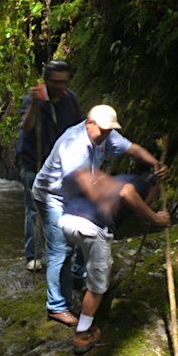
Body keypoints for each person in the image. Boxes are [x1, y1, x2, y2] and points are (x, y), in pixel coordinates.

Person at [32, 103, 168, 325]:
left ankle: (77, 279)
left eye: (108, 131)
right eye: (102, 130)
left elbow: (132, 148)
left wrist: (155, 163)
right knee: (61, 249)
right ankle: (56, 306)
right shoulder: (73, 145)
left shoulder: (105, 135)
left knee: (77, 236)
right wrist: (125, 196)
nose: (105, 135)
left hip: (74, 194)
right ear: (89, 123)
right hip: (52, 196)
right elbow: (91, 186)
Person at [60, 166, 170, 353]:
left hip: (68, 219)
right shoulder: (139, 185)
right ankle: (82, 335)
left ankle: (82, 292)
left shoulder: (120, 176)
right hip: (92, 225)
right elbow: (128, 193)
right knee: (97, 286)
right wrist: (156, 219)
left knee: (90, 260)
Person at [15, 60, 82, 272]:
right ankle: (33, 255)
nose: (60, 87)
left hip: (60, 163)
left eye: (64, 82)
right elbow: (26, 127)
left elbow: (78, 129)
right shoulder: (34, 97)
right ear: (46, 81)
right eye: (55, 82)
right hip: (33, 160)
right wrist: (35, 105)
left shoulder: (70, 99)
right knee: (34, 209)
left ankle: (62, 252)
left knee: (64, 207)